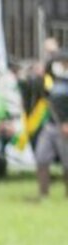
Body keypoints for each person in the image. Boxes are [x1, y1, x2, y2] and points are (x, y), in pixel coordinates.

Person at [33, 50, 68, 199]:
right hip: (51, 124)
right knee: (41, 156)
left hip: (64, 126)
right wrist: (50, 58)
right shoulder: (55, 80)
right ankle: (43, 193)